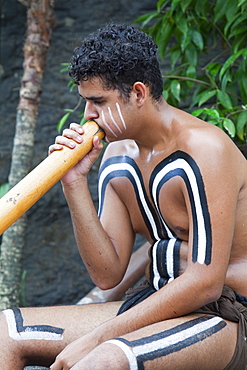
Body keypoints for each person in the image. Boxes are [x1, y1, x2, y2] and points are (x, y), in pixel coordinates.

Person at [1, 22, 247, 370]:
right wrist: (73, 183)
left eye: (98, 101)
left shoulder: (204, 151)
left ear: (138, 93)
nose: (88, 115)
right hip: (152, 303)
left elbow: (205, 283)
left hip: (230, 315)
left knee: (105, 359)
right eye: (85, 102)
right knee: (5, 332)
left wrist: (99, 337)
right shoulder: (117, 157)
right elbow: (107, 273)